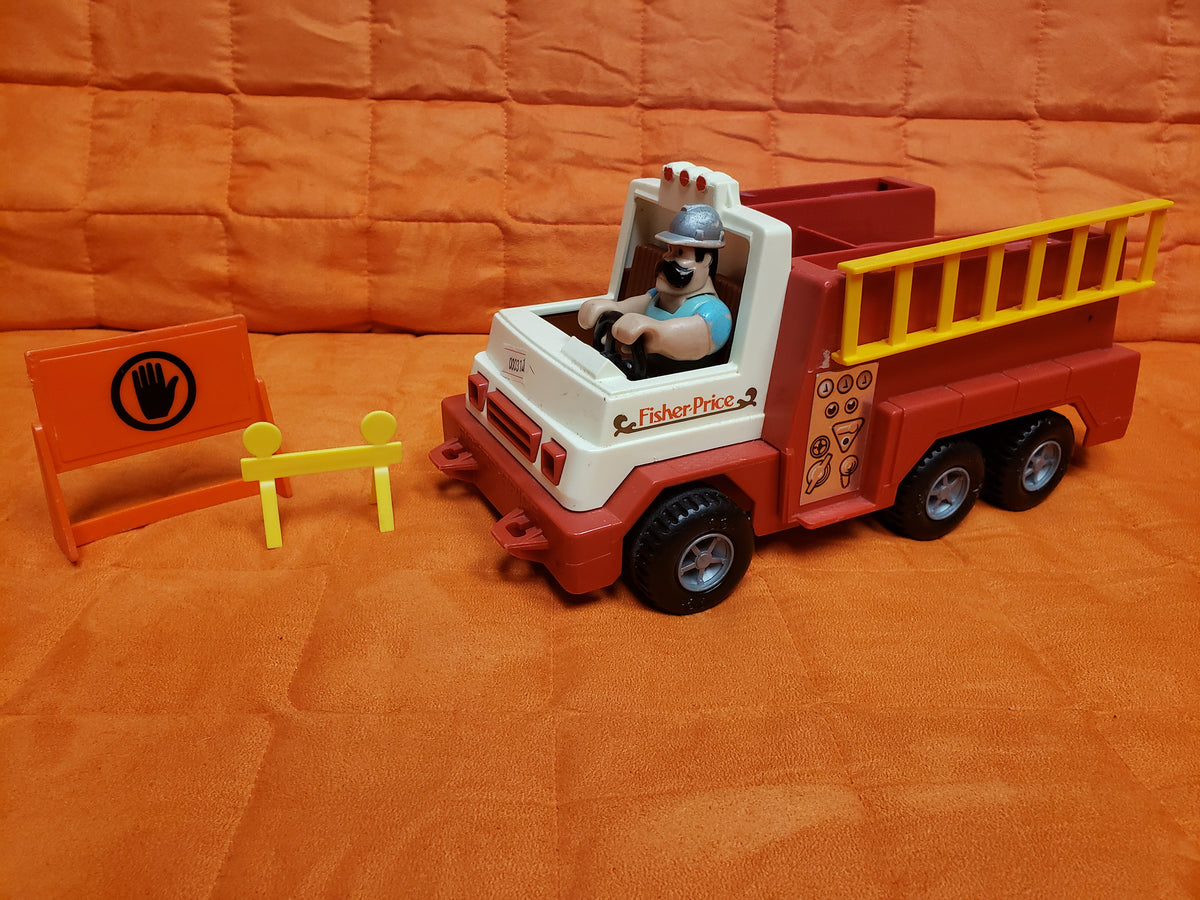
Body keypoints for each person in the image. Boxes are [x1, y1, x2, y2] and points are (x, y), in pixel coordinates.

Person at [578, 204, 732, 366]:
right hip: (646, 372)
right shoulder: (657, 297)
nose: (667, 258)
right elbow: (631, 306)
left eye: (680, 253)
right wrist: (610, 308)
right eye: (669, 249)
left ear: (706, 261)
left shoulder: (714, 313)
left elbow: (685, 336)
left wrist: (654, 332)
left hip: (684, 379)